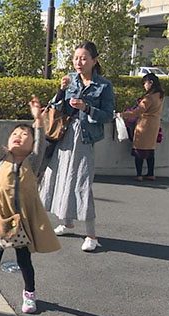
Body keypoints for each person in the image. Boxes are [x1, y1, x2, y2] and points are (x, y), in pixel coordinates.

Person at [0, 90, 61, 316]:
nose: (18, 136)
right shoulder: (3, 157)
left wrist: (38, 122)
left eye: (24, 134)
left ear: (31, 145)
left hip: (20, 223)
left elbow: (41, 144)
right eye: (15, 133)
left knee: (24, 261)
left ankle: (29, 293)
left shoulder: (33, 162)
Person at [39, 41, 115, 252]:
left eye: (83, 58)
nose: (79, 62)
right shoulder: (70, 79)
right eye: (76, 58)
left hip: (84, 138)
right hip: (64, 136)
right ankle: (67, 222)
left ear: (94, 60)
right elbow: (55, 106)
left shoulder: (104, 86)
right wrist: (61, 91)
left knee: (81, 183)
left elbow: (108, 115)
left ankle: (91, 235)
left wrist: (87, 108)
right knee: (61, 178)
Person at [120, 73, 164, 181]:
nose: (144, 85)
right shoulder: (160, 95)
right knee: (150, 149)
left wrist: (122, 114)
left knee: (139, 149)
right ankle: (150, 173)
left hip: (144, 124)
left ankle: (139, 174)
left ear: (150, 83)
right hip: (155, 124)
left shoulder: (149, 97)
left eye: (145, 83)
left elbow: (137, 112)